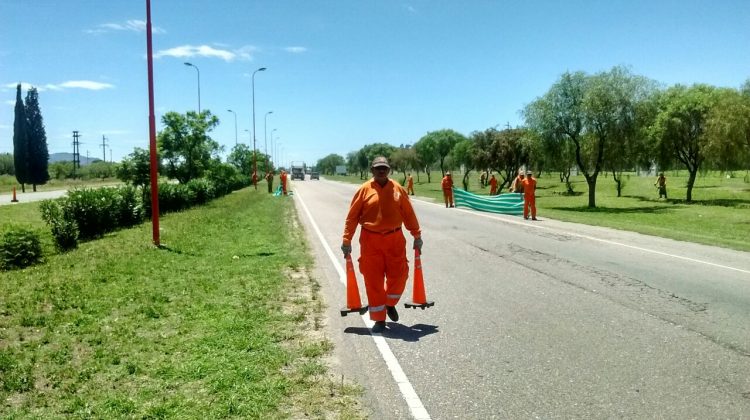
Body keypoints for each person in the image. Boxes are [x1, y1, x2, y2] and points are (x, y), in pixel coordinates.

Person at [341, 156, 423, 333]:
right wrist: (347, 240)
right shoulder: (364, 190)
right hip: (371, 241)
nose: (381, 171)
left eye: (384, 168)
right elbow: (352, 217)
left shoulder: (398, 189)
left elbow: (409, 214)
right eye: (378, 168)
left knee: (400, 275)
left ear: (389, 170)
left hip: (395, 239)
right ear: (372, 170)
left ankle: (389, 303)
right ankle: (378, 319)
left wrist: (417, 235)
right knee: (373, 281)